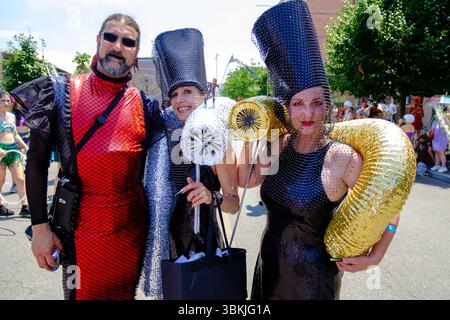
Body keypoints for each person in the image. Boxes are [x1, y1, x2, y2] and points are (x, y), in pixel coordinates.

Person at [240, 0, 400, 300]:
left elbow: (389, 204)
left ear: (327, 105)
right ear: (287, 107)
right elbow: (247, 180)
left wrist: (376, 255)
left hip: (313, 284)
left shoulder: (341, 157)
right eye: (297, 103)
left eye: (316, 102)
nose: (308, 112)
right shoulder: (279, 145)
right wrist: (252, 127)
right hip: (267, 272)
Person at [11, 14, 160, 300]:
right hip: (78, 233)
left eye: (128, 42)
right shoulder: (60, 92)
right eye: (111, 37)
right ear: (98, 41)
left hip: (131, 232)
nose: (118, 46)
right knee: (79, 295)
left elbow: (173, 159)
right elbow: (37, 163)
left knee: (123, 296)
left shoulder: (145, 105)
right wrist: (40, 228)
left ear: (136, 53)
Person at [138, 28, 240, 300]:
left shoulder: (219, 141)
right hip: (166, 243)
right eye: (174, 95)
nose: (181, 100)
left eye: (188, 92)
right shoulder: (164, 133)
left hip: (203, 244)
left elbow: (234, 203)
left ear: (204, 94)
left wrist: (211, 196)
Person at [0, 91, 30, 217]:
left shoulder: (12, 116)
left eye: (8, 100)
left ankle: (24, 207)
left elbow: (15, 135)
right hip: (1, 151)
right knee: (0, 181)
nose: (7, 103)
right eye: (3, 100)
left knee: (20, 179)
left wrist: (25, 147)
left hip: (13, 150)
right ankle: (0, 205)